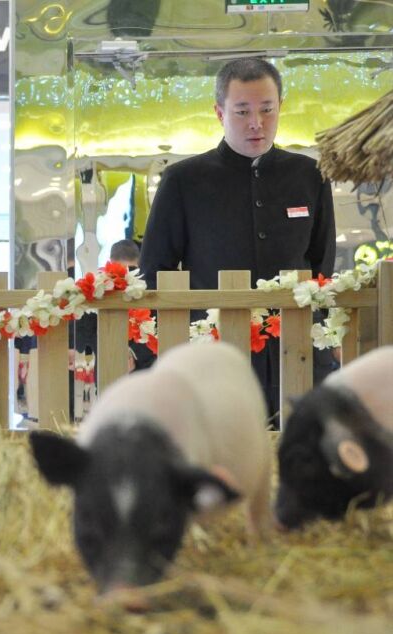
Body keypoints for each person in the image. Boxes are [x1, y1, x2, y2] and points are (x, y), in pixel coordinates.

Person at [139, 57, 337, 424]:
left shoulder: (310, 175)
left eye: (267, 110)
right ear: (219, 112)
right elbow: (155, 270)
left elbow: (322, 262)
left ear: (281, 107)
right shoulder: (184, 181)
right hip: (211, 352)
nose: (256, 123)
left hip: (297, 346)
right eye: (242, 111)